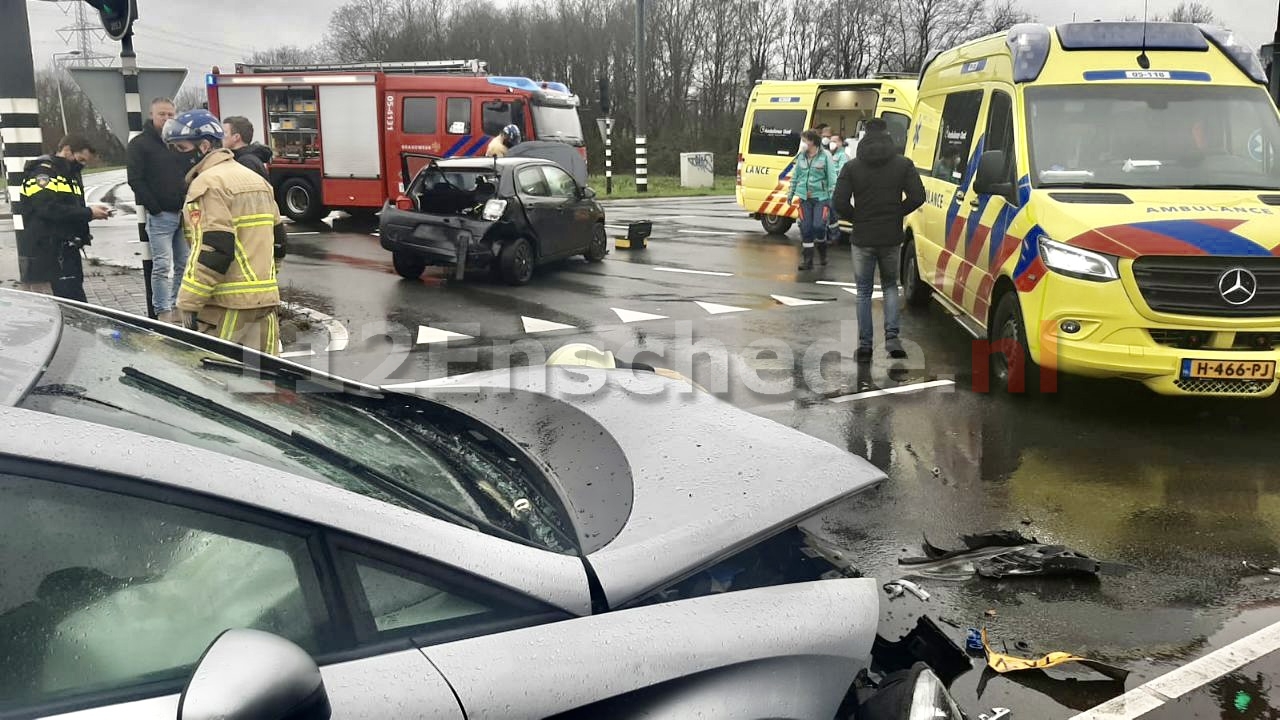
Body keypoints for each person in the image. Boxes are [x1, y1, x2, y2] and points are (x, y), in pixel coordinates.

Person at [164, 109, 287, 354]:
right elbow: (280, 243)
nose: (176, 156)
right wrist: (262, 284)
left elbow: (214, 249)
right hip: (265, 305)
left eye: (180, 148)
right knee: (265, 382)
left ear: (204, 145)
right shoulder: (256, 180)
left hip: (227, 309)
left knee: (223, 385)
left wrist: (188, 304)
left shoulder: (208, 184)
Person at [833, 117, 926, 363]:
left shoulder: (852, 167)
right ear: (887, 135)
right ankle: (893, 339)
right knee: (890, 286)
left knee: (863, 292)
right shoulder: (903, 164)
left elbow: (839, 203)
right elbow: (918, 196)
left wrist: (858, 217)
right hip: (891, 236)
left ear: (864, 136)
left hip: (863, 237)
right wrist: (897, 212)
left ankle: (865, 346)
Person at [17, 136, 112, 301]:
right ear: (67, 150)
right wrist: (88, 213)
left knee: (76, 299)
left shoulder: (70, 174)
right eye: (80, 159)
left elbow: (71, 208)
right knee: (70, 303)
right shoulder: (44, 173)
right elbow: (47, 209)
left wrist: (90, 213)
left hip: (68, 249)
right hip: (51, 251)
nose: (82, 164)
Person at [128, 98, 196, 322]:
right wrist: (155, 208)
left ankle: (178, 307)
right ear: (151, 115)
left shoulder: (176, 144)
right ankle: (162, 312)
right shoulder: (140, 144)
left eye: (170, 115)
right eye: (162, 114)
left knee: (183, 263)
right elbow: (135, 179)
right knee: (162, 265)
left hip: (181, 213)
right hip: (161, 216)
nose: (167, 119)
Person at [787, 129, 837, 270]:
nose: (802, 143)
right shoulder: (801, 157)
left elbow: (832, 177)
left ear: (812, 142)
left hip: (821, 198)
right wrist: (790, 194)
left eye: (805, 140)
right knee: (806, 228)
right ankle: (807, 260)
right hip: (804, 199)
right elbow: (795, 176)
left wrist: (832, 194)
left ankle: (822, 253)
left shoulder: (825, 156)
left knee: (819, 226)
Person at [221, 116, 273, 181]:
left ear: (236, 137)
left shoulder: (246, 162)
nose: (220, 137)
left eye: (224, 133)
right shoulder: (244, 158)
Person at [825, 131, 849, 245]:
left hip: (834, 190)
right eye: (831, 141)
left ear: (841, 143)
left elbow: (841, 173)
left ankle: (834, 236)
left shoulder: (842, 156)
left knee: (831, 214)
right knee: (827, 214)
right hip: (826, 190)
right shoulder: (830, 155)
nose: (832, 143)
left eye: (835, 141)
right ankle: (830, 236)